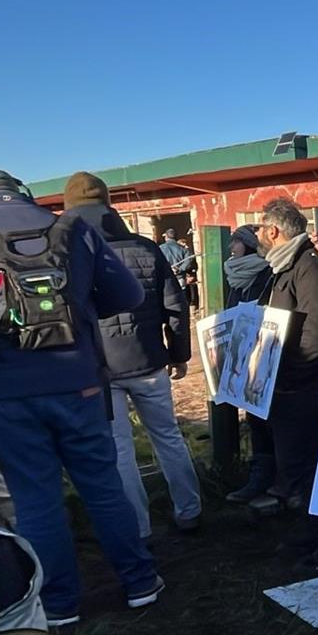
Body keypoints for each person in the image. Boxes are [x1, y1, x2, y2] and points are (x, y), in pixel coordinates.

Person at [0, 168, 160, 627]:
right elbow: (127, 293)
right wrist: (79, 310)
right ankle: (140, 582)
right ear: (21, 192)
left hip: (1, 394)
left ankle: (61, 604)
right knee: (103, 487)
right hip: (78, 384)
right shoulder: (73, 229)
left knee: (35, 498)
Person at [62, 173, 202, 536]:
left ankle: (137, 528)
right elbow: (175, 306)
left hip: (99, 367)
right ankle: (190, 510)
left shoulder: (66, 253)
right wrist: (179, 353)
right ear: (108, 203)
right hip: (149, 360)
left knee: (120, 449)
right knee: (168, 437)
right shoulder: (144, 247)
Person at [255, 198, 318, 573]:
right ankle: (311, 534)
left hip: (303, 388)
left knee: (309, 469)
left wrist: (290, 381)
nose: (259, 235)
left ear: (274, 231)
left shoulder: (310, 269)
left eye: (261, 227)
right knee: (294, 470)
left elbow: (316, 336)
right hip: (284, 385)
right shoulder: (284, 268)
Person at [222, 225, 279, 509]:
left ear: (248, 244)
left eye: (236, 243)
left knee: (266, 419)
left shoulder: (265, 273)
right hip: (242, 356)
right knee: (253, 417)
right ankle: (261, 474)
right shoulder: (235, 275)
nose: (232, 248)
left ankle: (271, 478)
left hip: (264, 354)